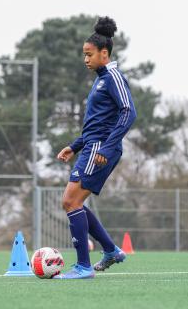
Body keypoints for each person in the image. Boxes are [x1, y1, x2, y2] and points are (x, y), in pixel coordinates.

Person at [54, 16, 137, 279]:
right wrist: (74, 146)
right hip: (93, 146)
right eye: (84, 55)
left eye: (89, 54)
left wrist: (106, 147)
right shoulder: (101, 78)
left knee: (70, 200)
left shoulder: (112, 76)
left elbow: (129, 112)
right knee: (73, 202)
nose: (85, 59)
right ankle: (111, 250)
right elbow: (96, 124)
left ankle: (83, 266)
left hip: (101, 149)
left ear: (104, 53)